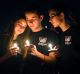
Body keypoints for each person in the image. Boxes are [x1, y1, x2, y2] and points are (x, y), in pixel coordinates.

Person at [21, 9, 59, 74]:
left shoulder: (50, 34)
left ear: (41, 18)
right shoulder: (25, 34)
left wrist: (36, 53)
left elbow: (53, 61)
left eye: (33, 18)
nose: (30, 22)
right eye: (27, 19)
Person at [48, 7, 80, 74]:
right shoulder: (60, 35)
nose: (49, 20)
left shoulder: (76, 31)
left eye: (52, 16)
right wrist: (60, 53)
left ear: (61, 15)